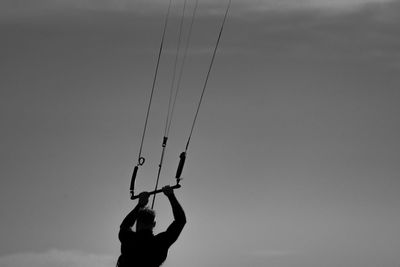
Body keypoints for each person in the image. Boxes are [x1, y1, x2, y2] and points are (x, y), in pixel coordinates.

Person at [117, 185, 186, 267]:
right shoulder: (160, 242)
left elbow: (125, 226)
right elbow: (180, 220)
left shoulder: (129, 239)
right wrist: (171, 196)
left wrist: (140, 205)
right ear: (154, 224)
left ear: (137, 223)